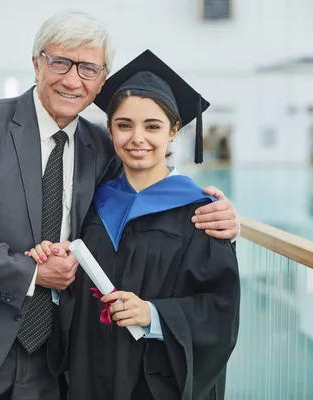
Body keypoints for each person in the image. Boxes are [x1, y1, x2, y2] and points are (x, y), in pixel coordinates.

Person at [0, 11, 239, 400]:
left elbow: (145, 184)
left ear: (102, 79)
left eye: (88, 68)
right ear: (36, 63)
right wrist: (30, 272)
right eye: (60, 62)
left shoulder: (103, 146)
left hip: (52, 355)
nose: (73, 80)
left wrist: (225, 217)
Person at [27, 50, 240, 399]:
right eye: (124, 125)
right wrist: (56, 264)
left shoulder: (200, 212)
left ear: (173, 132)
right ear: (110, 131)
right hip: (88, 369)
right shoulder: (93, 202)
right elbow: (78, 288)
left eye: (152, 126)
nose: (137, 138)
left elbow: (220, 309)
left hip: (154, 379)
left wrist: (154, 314)